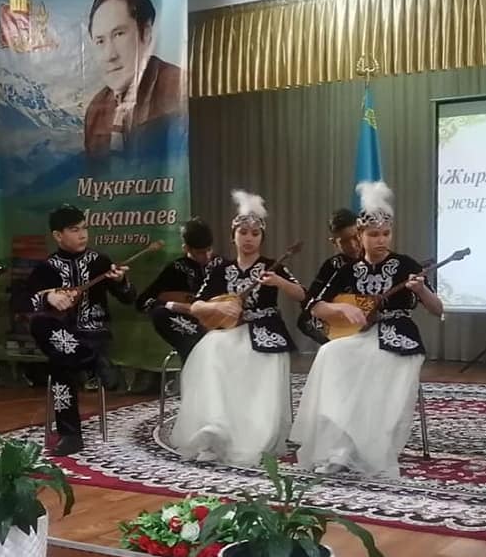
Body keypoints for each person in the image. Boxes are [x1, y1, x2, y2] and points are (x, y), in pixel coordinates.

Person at [290, 181, 443, 477]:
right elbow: (313, 305)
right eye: (373, 234)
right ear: (360, 236)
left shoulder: (405, 264)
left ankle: (362, 448)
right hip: (360, 336)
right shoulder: (347, 269)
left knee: (372, 363)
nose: (381, 240)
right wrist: (341, 309)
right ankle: (339, 445)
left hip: (399, 337)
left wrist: (421, 290)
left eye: (386, 233)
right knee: (330, 353)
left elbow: (437, 309)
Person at [170, 190, 305, 466]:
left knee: (252, 360)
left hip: (265, 330)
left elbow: (302, 295)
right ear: (233, 236)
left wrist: (278, 282)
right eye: (243, 232)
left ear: (262, 238)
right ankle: (214, 429)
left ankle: (251, 434)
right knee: (210, 349)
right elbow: (196, 305)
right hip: (230, 331)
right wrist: (218, 309)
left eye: (255, 233)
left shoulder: (272, 266)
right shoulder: (221, 268)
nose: (248, 238)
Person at [26, 205, 135, 457]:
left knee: (60, 361)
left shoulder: (100, 261)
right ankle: (94, 363)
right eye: (74, 230)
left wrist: (121, 282)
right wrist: (48, 297)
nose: (83, 234)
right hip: (63, 336)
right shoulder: (46, 268)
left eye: (84, 228)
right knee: (41, 326)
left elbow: (129, 298)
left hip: (93, 333)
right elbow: (23, 301)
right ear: (58, 235)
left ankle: (70, 435)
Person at [84, 0, 182, 161]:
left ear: (146, 32)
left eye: (119, 34)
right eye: (100, 41)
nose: (110, 55)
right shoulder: (96, 110)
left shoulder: (178, 88)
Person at [135, 218, 215, 363]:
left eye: (209, 250)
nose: (207, 256)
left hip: (217, 324)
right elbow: (142, 302)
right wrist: (172, 305)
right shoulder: (176, 269)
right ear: (186, 248)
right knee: (159, 314)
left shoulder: (219, 265)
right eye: (200, 252)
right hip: (190, 327)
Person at [297, 208, 361, 346]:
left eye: (356, 237)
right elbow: (309, 302)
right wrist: (337, 309)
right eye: (344, 241)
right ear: (334, 242)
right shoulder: (332, 266)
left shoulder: (379, 259)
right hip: (343, 330)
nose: (353, 245)